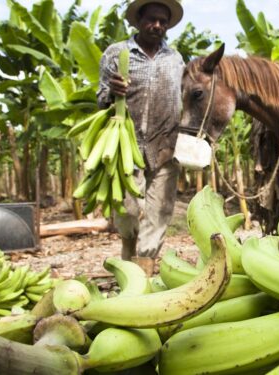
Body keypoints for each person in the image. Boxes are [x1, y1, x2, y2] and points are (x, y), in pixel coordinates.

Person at [97, 0, 185, 274]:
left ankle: (144, 271)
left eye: (163, 21)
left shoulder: (176, 59)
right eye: (152, 19)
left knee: (160, 213)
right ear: (138, 20)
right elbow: (100, 101)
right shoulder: (116, 54)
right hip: (126, 146)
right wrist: (112, 91)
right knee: (127, 212)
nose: (157, 25)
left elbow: (182, 100)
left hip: (165, 146)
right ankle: (127, 258)